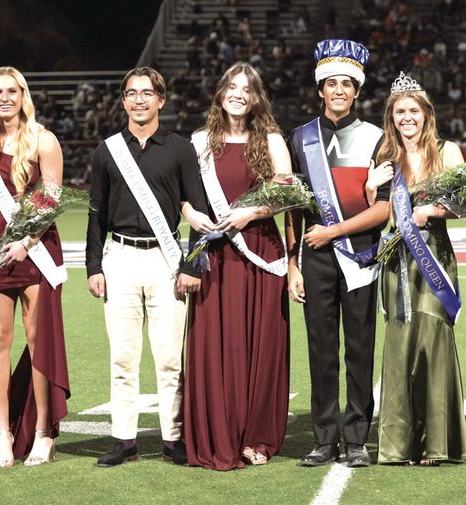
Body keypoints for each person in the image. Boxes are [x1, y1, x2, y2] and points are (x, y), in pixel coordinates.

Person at [85, 67, 206, 467]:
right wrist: (93, 266)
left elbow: (198, 212)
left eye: (147, 93)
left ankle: (173, 438)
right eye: (131, 93)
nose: (139, 100)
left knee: (170, 357)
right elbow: (95, 214)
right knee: (123, 357)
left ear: (161, 100)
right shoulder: (107, 151)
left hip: (165, 260)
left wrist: (191, 265)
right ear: (123, 101)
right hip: (119, 258)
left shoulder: (180, 148)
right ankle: (124, 439)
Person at [180, 62, 292, 470]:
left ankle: (257, 436)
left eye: (247, 88)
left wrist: (252, 213)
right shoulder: (199, 142)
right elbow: (184, 195)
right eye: (232, 86)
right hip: (216, 256)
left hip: (260, 250)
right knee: (217, 345)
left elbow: (286, 196)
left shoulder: (273, 140)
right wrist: (190, 213)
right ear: (220, 92)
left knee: (260, 346)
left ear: (257, 97)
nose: (239, 94)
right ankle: (218, 432)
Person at [0, 67, 71, 467]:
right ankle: (4, 434)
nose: (4, 98)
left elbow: (53, 198)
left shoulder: (44, 140)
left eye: (11, 90)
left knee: (39, 341)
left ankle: (43, 432)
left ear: (23, 94)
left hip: (36, 252)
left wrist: (27, 242)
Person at [286, 39, 388, 468]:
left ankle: (358, 436)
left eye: (347, 84)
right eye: (332, 83)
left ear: (357, 91)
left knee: (360, 347)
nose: (339, 90)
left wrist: (336, 232)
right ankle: (325, 438)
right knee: (321, 348)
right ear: (320, 89)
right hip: (314, 255)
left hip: (361, 253)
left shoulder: (377, 138)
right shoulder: (300, 137)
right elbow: (292, 206)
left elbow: (383, 207)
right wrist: (292, 264)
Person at [369, 72, 466, 465]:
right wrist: (368, 187)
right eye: (399, 112)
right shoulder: (385, 156)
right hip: (397, 260)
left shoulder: (448, 152)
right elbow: (379, 211)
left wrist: (435, 210)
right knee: (400, 344)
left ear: (427, 114)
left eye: (413, 111)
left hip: (434, 259)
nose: (406, 118)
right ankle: (398, 446)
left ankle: (436, 443)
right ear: (391, 117)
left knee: (431, 338)